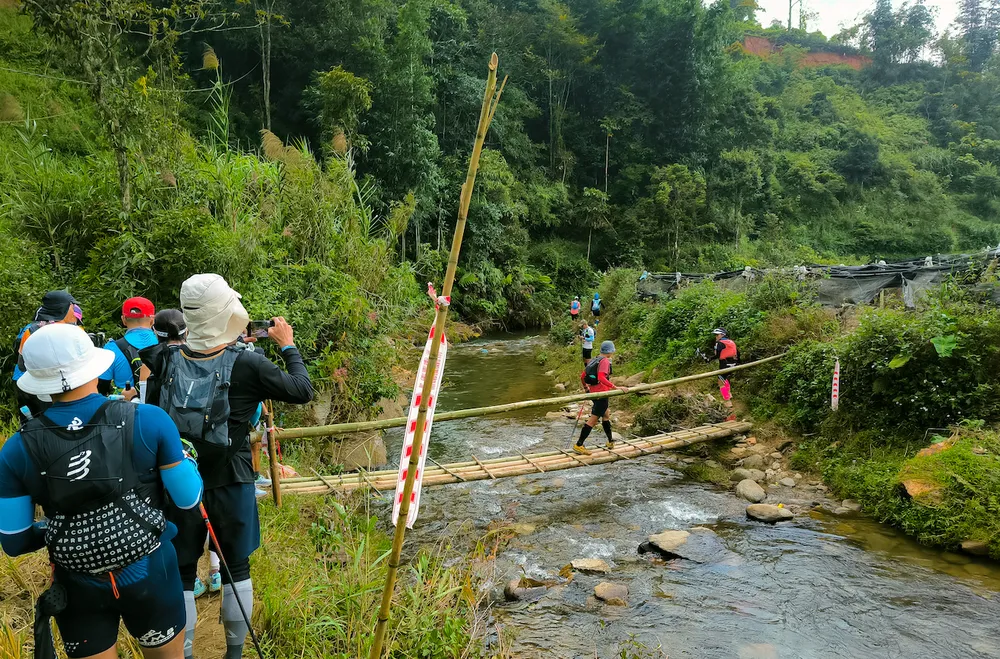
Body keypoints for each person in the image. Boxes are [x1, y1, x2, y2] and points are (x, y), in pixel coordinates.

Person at [0, 323, 203, 659]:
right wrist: (189, 463)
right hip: (151, 572)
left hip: (77, 583)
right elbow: (188, 499)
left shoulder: (16, 450)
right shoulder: (149, 420)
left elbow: (15, 540)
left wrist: (63, 531)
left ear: (37, 380)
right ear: (95, 366)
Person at [142, 273, 313, 659]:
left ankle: (183, 653)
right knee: (236, 567)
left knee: (183, 571)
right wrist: (288, 346)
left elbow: (153, 418)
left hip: (178, 478)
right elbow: (302, 389)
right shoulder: (248, 365)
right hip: (232, 477)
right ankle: (233, 654)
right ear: (228, 311)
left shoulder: (163, 357)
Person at [12, 290, 80, 421]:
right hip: (45, 385)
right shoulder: (65, 330)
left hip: (29, 382)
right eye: (72, 306)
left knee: (33, 426)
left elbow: (21, 364)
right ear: (64, 308)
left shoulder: (30, 329)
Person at [574, 341, 628, 455]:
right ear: (610, 351)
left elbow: (583, 376)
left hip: (594, 393)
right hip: (601, 394)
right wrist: (615, 387)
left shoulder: (595, 359)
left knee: (606, 414)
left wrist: (586, 388)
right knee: (593, 420)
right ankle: (579, 445)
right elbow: (601, 377)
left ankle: (610, 441)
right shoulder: (604, 361)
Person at [99, 297, 158, 400]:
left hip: (125, 412)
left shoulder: (111, 349)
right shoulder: (165, 345)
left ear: (124, 320)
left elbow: (100, 389)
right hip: (160, 411)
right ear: (152, 320)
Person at [713, 328, 738, 422]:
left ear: (722, 335)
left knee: (721, 383)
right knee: (725, 381)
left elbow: (717, 355)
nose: (716, 337)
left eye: (717, 335)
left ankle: (728, 404)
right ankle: (729, 398)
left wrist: (709, 358)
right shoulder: (731, 342)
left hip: (725, 365)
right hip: (733, 364)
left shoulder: (719, 343)